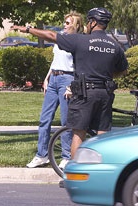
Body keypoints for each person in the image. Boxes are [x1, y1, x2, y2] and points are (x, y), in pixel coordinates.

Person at [11, 7, 128, 162]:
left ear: (93, 22)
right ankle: (100, 173)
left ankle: (76, 175)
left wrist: (28, 29)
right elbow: (123, 70)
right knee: (103, 135)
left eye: (88, 21)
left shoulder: (80, 40)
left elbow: (51, 35)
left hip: (84, 93)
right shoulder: (115, 46)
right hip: (105, 94)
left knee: (78, 134)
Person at [26, 12, 84, 168]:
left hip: (67, 79)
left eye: (67, 22)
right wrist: (47, 78)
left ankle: (66, 156)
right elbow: (55, 61)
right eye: (64, 22)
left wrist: (72, 86)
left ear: (76, 25)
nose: (64, 24)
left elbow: (80, 67)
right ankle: (42, 155)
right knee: (45, 119)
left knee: (66, 121)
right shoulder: (59, 39)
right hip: (53, 79)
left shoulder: (78, 42)